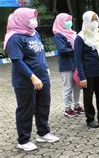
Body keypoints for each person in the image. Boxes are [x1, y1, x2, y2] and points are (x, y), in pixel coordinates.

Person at [4, 8, 59, 151]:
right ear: (21, 19)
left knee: (43, 105)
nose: (34, 20)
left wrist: (45, 69)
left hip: (43, 77)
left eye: (34, 17)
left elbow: (39, 54)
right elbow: (17, 61)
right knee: (26, 109)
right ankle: (23, 140)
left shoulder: (34, 33)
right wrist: (33, 77)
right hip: (26, 81)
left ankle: (43, 133)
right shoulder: (14, 38)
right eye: (31, 18)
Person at [74, 11, 99, 128]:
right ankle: (90, 119)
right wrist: (82, 76)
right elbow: (77, 59)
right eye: (92, 20)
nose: (95, 22)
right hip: (88, 72)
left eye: (96, 19)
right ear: (86, 21)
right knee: (88, 96)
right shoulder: (80, 37)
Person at [53, 13, 84, 118]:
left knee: (77, 86)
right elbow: (62, 49)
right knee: (68, 87)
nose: (68, 22)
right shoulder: (58, 35)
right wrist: (77, 51)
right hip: (66, 65)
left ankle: (77, 105)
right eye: (66, 20)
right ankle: (67, 108)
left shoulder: (72, 33)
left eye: (69, 20)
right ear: (60, 22)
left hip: (76, 63)